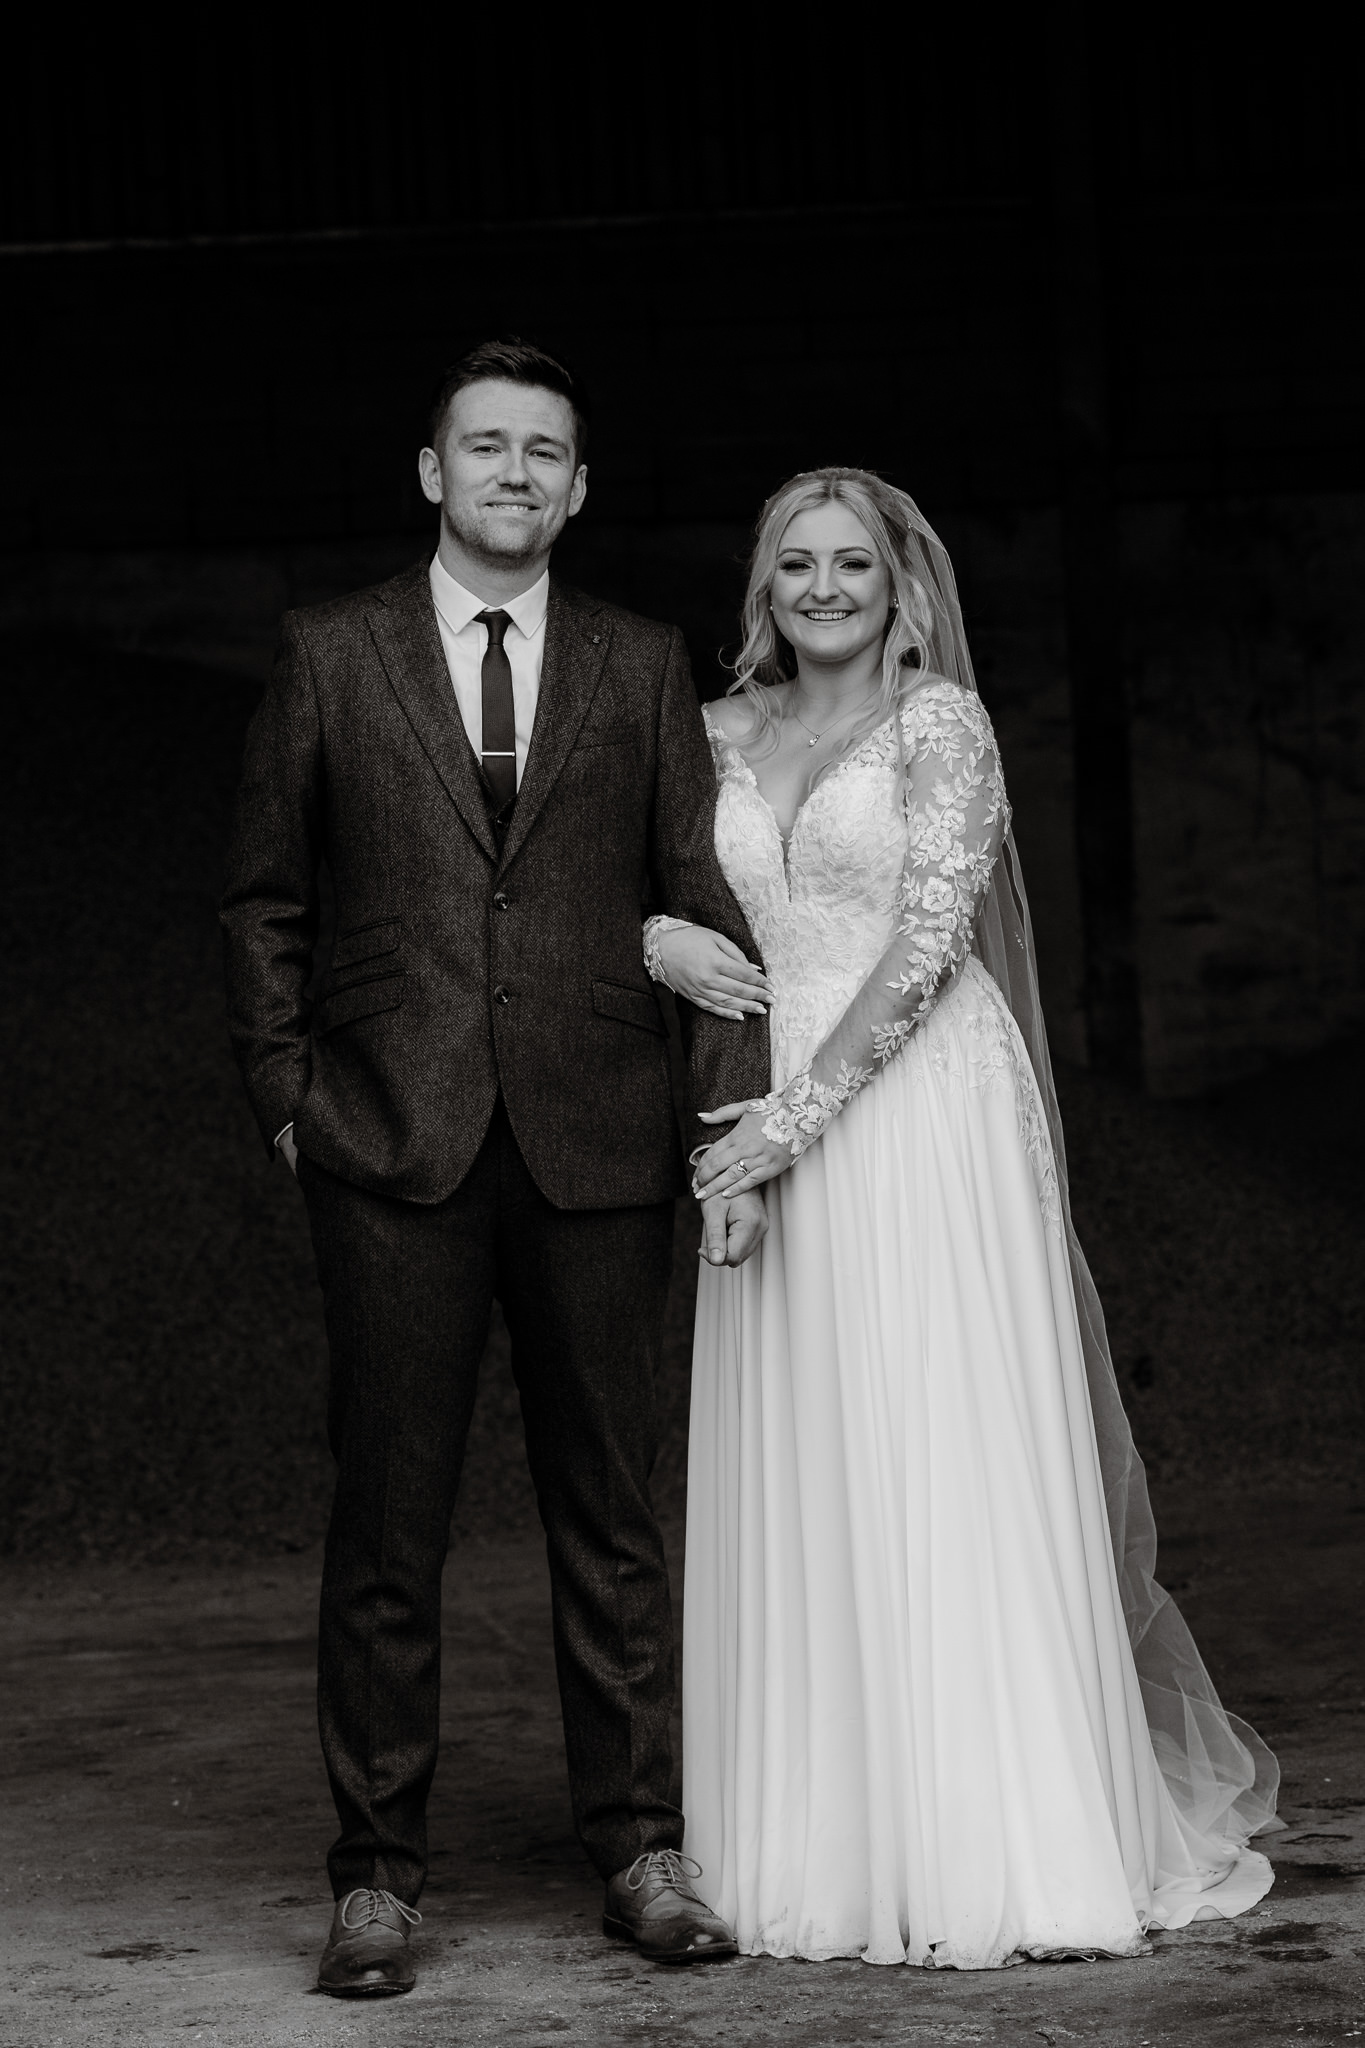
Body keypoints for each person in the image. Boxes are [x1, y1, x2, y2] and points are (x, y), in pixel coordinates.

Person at [645, 467, 1281, 1969]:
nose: (819, 587)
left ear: (896, 581)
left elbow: (930, 944)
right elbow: (612, 882)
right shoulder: (709, 733)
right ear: (760, 584)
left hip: (917, 1113)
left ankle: (994, 1837)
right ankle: (823, 1840)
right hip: (762, 1098)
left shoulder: (938, 722)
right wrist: (653, 936)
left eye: (848, 563)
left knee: (934, 1438)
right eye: (791, 562)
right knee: (810, 1449)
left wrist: (794, 1126)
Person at [220, 339, 772, 1996]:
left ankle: (638, 1849)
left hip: (600, 1139)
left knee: (610, 1516)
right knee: (389, 1521)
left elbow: (696, 899)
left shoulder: (637, 658)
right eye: (486, 448)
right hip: (389, 1141)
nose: (515, 473)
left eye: (545, 453)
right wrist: (288, 1098)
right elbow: (263, 901)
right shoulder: (328, 654)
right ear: (431, 474)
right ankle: (376, 1876)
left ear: (580, 488)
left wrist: (718, 1118)